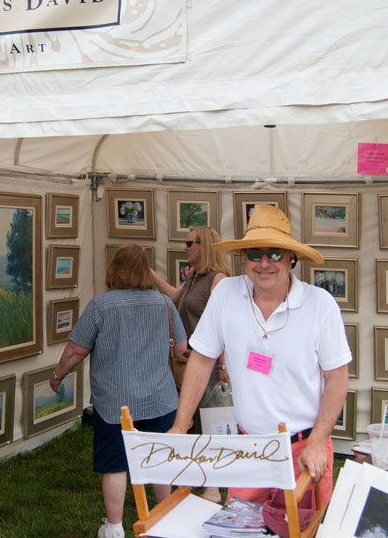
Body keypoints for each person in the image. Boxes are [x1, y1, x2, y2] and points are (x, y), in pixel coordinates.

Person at [168, 205, 350, 508]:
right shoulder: (226, 293)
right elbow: (201, 360)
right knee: (241, 528)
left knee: (301, 530)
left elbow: (337, 377)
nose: (264, 263)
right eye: (255, 253)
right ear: (244, 258)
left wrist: (318, 441)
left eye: (275, 254)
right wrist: (180, 423)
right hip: (248, 448)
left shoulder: (320, 305)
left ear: (291, 258)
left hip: (303, 448)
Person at [49, 243, 188, 538]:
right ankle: (165, 518)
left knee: (115, 464)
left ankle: (113, 528)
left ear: (114, 269)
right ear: (145, 270)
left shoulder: (101, 305)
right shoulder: (163, 303)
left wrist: (58, 374)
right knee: (159, 458)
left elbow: (76, 349)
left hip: (115, 402)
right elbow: (181, 348)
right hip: (160, 398)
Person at [151, 225, 231, 503]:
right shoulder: (194, 278)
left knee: (210, 423)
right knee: (191, 422)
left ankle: (213, 489)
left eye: (189, 243)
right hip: (187, 363)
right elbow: (175, 297)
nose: (185, 248)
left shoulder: (218, 279)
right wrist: (149, 275)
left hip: (208, 365)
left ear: (203, 245)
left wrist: (223, 364)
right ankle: (194, 479)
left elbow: (225, 324)